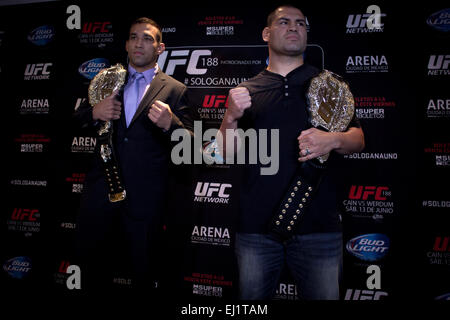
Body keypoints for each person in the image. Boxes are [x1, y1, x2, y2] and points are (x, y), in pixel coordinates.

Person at [218, 5, 365, 300]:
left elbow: (358, 140)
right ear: (266, 33)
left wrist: (332, 140)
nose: (294, 27)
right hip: (256, 230)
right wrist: (230, 117)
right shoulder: (246, 90)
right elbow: (223, 153)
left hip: (319, 228)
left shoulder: (328, 84)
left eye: (300, 23)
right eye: (284, 22)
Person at [73, 17, 193, 292]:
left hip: (145, 206)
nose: (140, 43)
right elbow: (69, 123)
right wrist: (93, 112)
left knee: (144, 276)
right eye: (134, 37)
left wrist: (171, 123)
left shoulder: (175, 90)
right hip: (99, 199)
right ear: (126, 44)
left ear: (160, 47)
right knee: (91, 274)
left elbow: (194, 148)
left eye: (148, 38)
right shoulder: (105, 81)